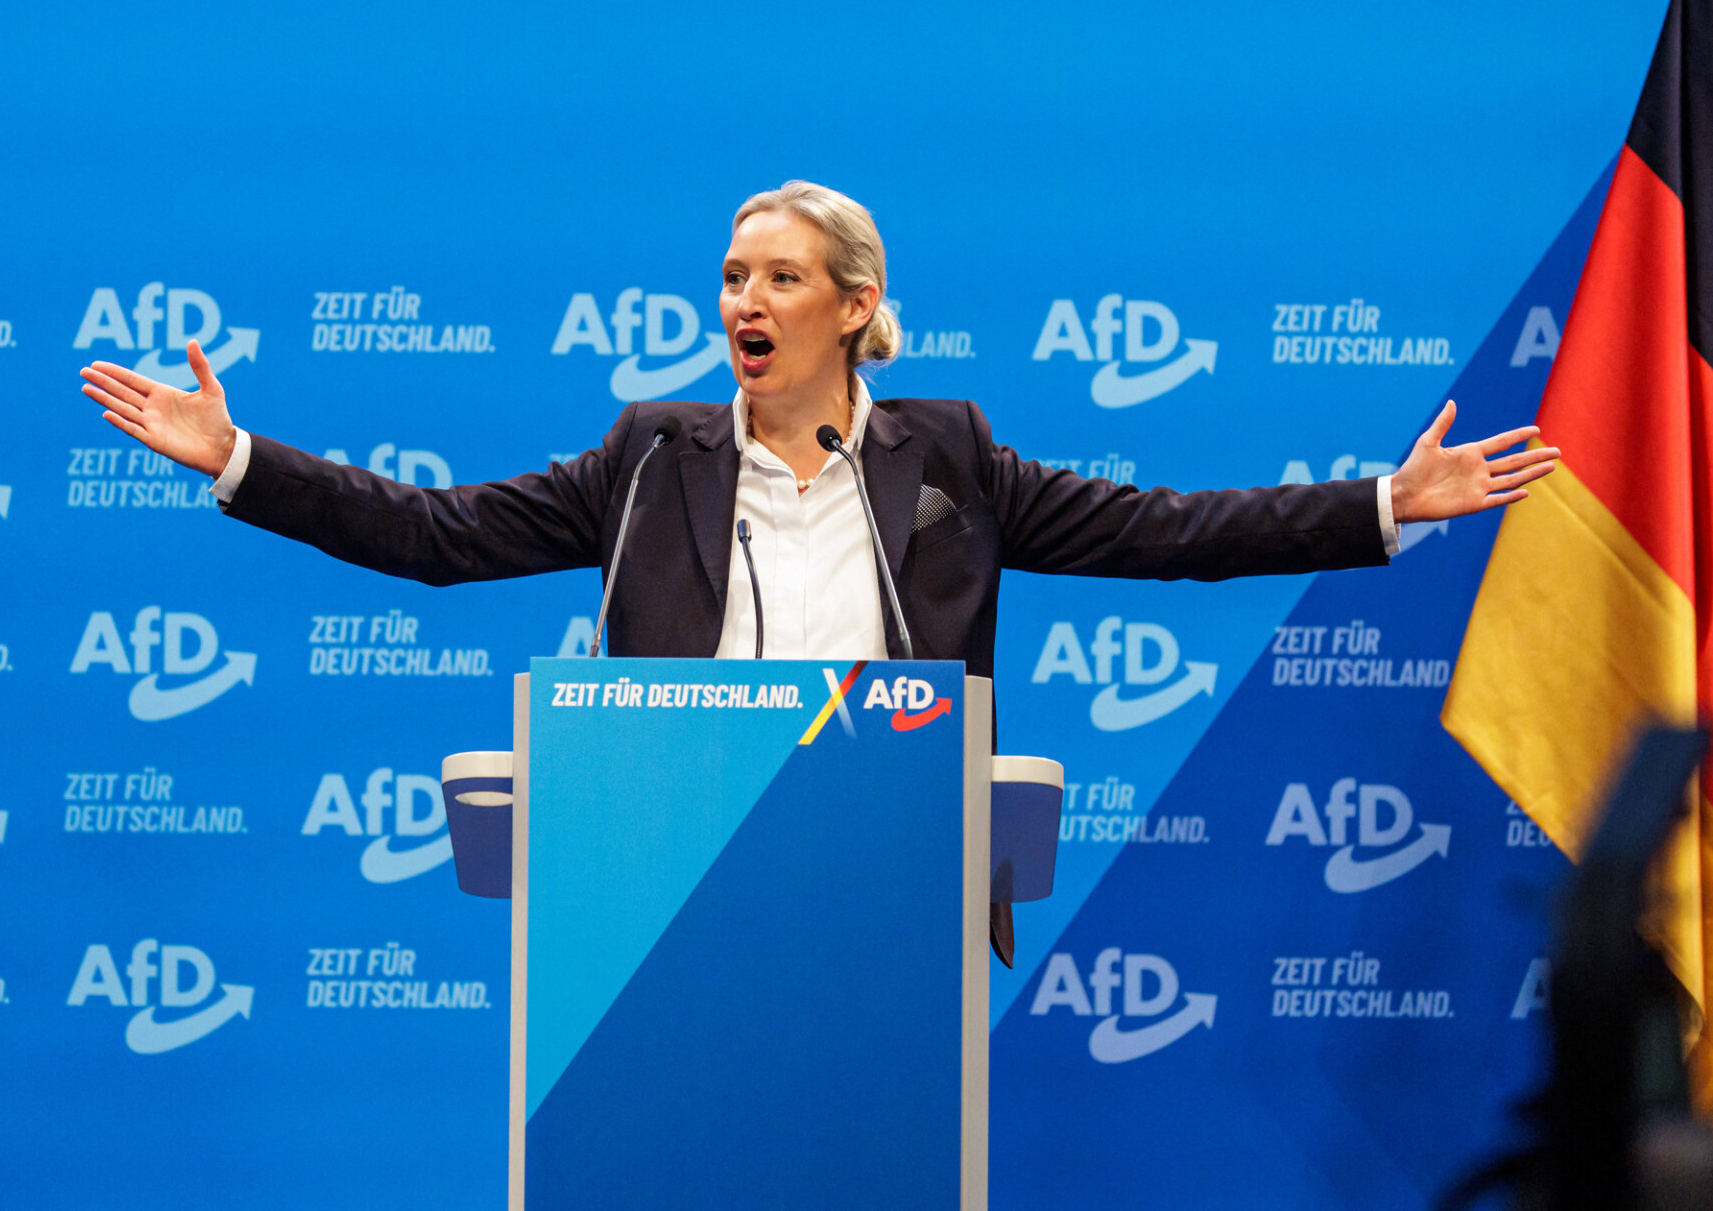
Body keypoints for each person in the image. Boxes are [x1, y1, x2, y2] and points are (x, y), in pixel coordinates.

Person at [79, 180, 1559, 962]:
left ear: (855, 309)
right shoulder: (650, 458)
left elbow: (1161, 533)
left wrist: (1379, 503)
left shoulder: (955, 457)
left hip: (895, 883)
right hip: (653, 889)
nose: (744, 299)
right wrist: (237, 458)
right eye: (731, 277)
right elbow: (437, 536)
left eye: (778, 277)